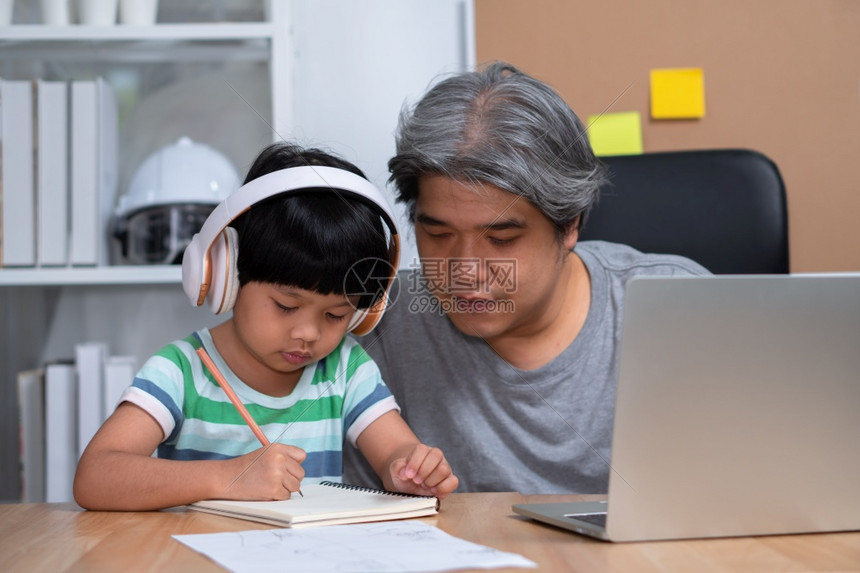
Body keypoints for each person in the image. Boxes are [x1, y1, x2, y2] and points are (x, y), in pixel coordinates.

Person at [343, 62, 710, 494]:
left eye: (500, 238)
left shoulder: (681, 306)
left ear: (569, 225)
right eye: (438, 234)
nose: (465, 270)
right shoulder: (377, 323)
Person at [74, 142, 458, 511]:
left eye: (335, 315)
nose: (308, 333)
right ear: (229, 276)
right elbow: (96, 476)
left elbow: (394, 451)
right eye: (286, 306)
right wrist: (228, 477)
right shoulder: (181, 370)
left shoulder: (344, 369)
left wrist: (410, 469)